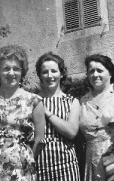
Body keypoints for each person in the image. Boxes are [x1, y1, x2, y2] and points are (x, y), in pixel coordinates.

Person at [0, 45, 46, 181]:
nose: (11, 73)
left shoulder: (34, 101)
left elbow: (39, 140)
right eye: (6, 68)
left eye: (16, 69)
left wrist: (24, 157)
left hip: (21, 169)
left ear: (22, 71)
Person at [35, 52, 80, 181]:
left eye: (54, 71)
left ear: (61, 74)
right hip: (40, 167)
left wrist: (47, 112)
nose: (50, 76)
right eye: (45, 72)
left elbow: (71, 132)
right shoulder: (32, 101)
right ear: (40, 75)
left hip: (66, 167)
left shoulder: (72, 101)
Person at [79, 54, 114, 181]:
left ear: (110, 73)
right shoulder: (83, 101)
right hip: (92, 161)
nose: (95, 74)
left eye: (100, 70)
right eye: (91, 71)